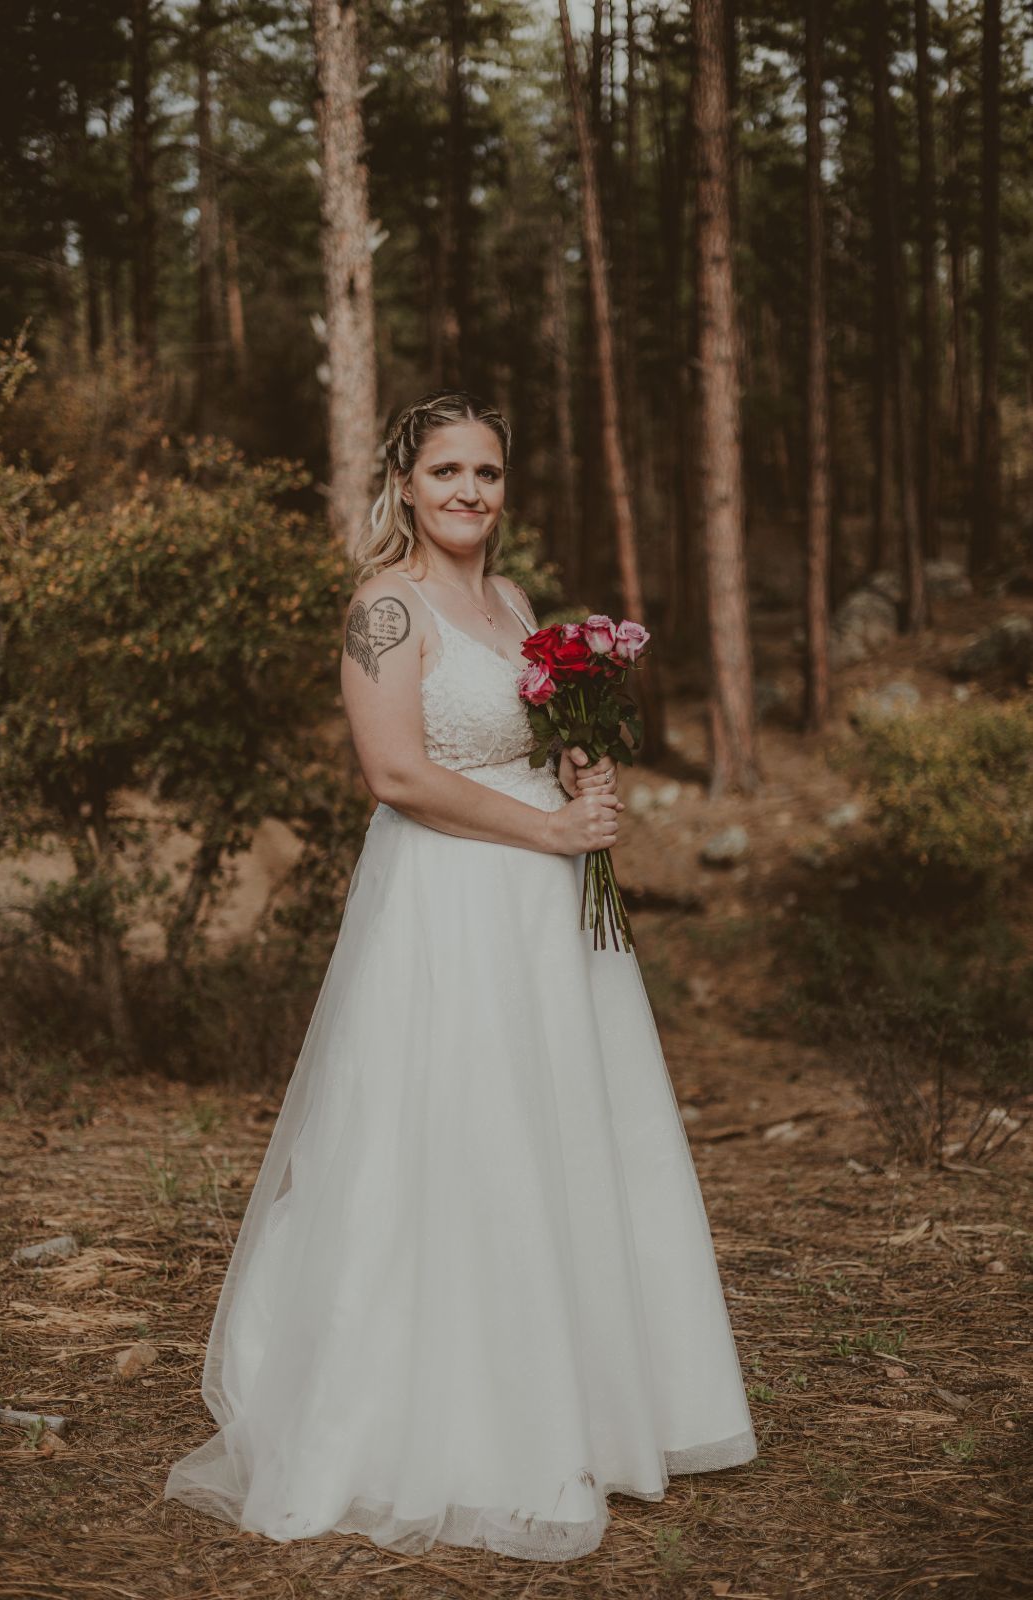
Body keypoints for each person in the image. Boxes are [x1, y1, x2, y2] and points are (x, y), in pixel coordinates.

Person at [163, 389, 757, 1562]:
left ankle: (587, 1401)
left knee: (565, 1128)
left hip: (547, 907)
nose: (469, 494)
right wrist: (542, 832)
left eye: (486, 474)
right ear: (405, 482)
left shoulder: (513, 601)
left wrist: (582, 780)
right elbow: (394, 773)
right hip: (449, 898)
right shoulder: (384, 608)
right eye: (447, 473)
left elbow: (533, 732)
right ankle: (455, 1411)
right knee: (458, 1130)